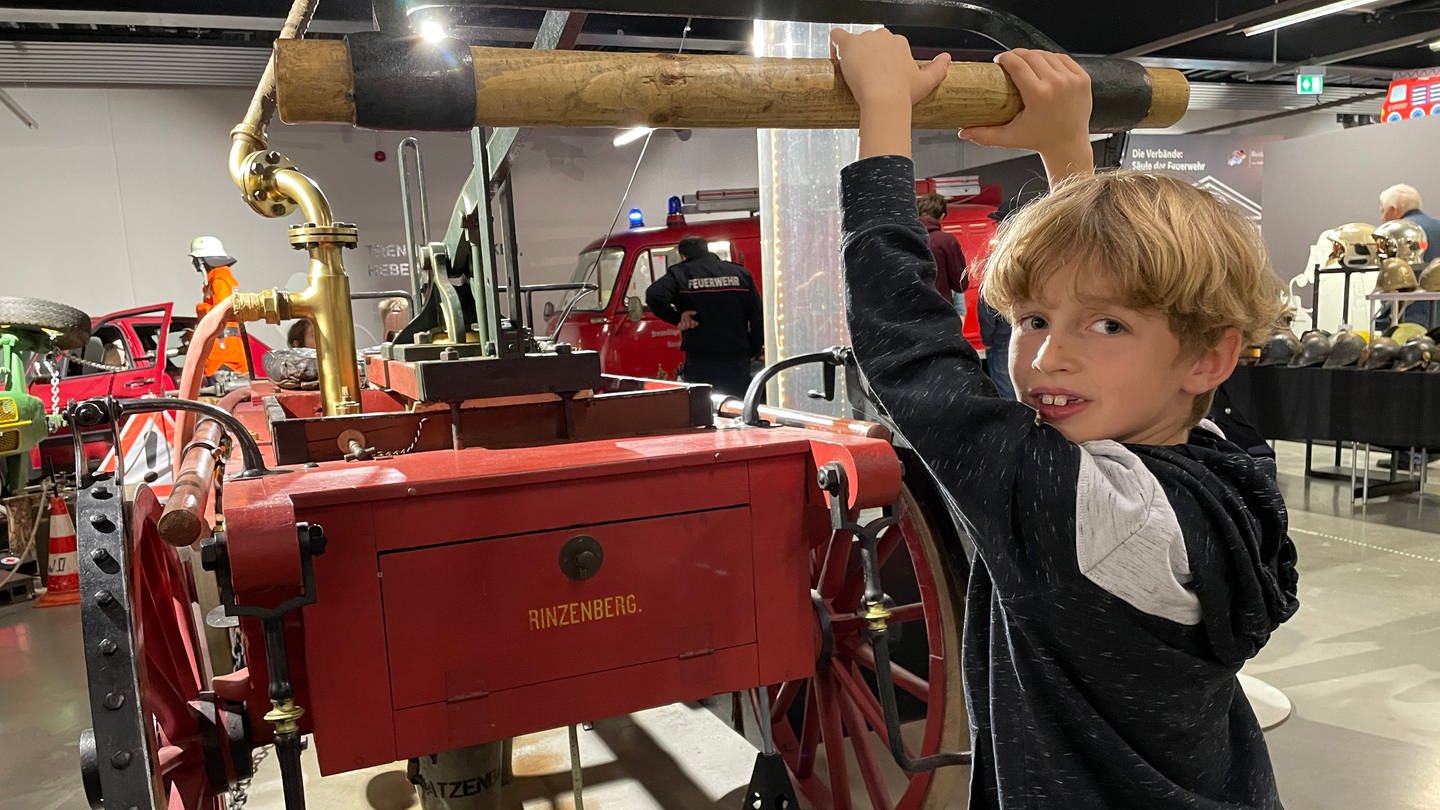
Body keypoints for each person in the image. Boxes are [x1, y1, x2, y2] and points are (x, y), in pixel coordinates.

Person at [831, 30, 1297, 809]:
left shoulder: (1077, 510)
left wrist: (883, 120)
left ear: (1206, 359)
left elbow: (909, 352)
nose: (1046, 361)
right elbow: (1111, 353)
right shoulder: (1230, 468)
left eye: (1107, 326)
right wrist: (1065, 148)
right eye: (1035, 319)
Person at [644, 235, 763, 398]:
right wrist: (754, 348)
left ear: (682, 256)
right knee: (738, 406)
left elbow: (654, 295)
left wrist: (678, 318)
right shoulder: (740, 273)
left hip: (701, 357)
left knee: (703, 408)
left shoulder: (680, 274)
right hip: (737, 357)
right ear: (706, 250)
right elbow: (757, 314)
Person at [1377, 183, 1440, 329]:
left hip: (1410, 317)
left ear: (1394, 210)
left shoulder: (1394, 235)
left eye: (1383, 211)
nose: (1382, 218)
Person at [188, 236, 249, 375]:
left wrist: (201, 309)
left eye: (195, 260)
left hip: (223, 357)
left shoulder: (219, 281)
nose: (194, 264)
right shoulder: (220, 280)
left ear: (203, 261)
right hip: (226, 354)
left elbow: (222, 313)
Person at [916, 192, 968, 320]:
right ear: (942, 215)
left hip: (910, 314)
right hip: (939, 313)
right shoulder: (946, 241)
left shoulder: (905, 237)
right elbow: (960, 284)